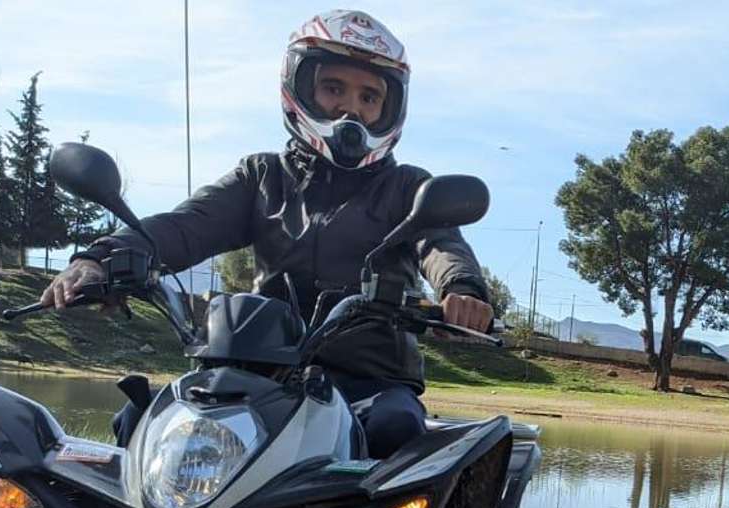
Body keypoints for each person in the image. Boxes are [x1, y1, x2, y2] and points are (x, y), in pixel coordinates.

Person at [40, 9, 494, 458]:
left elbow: (441, 244)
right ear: (301, 87)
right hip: (256, 372)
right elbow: (187, 226)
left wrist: (462, 288)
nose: (350, 108)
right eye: (334, 87)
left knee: (397, 429)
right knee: (141, 422)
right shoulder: (261, 177)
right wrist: (102, 257)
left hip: (368, 380)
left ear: (388, 111)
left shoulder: (407, 189)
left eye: (369, 97)